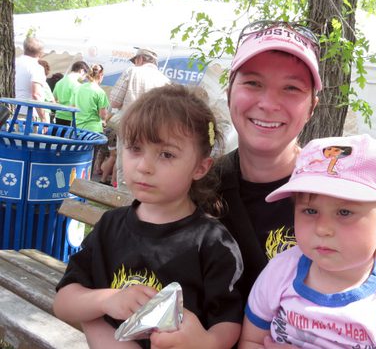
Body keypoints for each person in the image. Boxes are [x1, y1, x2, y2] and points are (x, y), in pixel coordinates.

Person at [150, 21, 376, 349]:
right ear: (229, 92)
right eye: (253, 83)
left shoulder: (352, 192)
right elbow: (123, 280)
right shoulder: (195, 187)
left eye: (292, 88)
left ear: (312, 106)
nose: (269, 103)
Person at [53, 84, 244, 349]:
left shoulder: (213, 242)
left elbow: (229, 319)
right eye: (134, 148)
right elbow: (64, 302)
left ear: (200, 167)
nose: (144, 167)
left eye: (166, 154)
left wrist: (208, 343)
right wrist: (108, 300)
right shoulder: (111, 226)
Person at [238, 134, 376, 348]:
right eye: (310, 210)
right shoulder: (280, 271)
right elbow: (251, 339)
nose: (323, 228)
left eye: (344, 212)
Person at [110, 47, 171, 190]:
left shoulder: (132, 71)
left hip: (129, 127)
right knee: (147, 166)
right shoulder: (165, 80)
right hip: (153, 131)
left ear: (140, 59)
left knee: (125, 165)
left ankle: (123, 203)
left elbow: (114, 102)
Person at [14, 36, 48, 122]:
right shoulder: (37, 68)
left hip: (9, 111)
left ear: (24, 48)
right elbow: (36, 94)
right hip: (27, 114)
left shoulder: (13, 62)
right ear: (41, 53)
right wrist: (43, 118)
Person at [73, 64, 109, 133]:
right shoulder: (100, 92)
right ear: (101, 75)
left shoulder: (78, 88)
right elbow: (103, 116)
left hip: (77, 128)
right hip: (93, 131)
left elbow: (72, 106)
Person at [53, 60, 89, 126]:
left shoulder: (60, 82)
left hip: (59, 115)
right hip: (71, 117)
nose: (84, 78)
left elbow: (54, 99)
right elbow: (77, 103)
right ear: (82, 71)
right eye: (85, 76)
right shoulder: (77, 84)